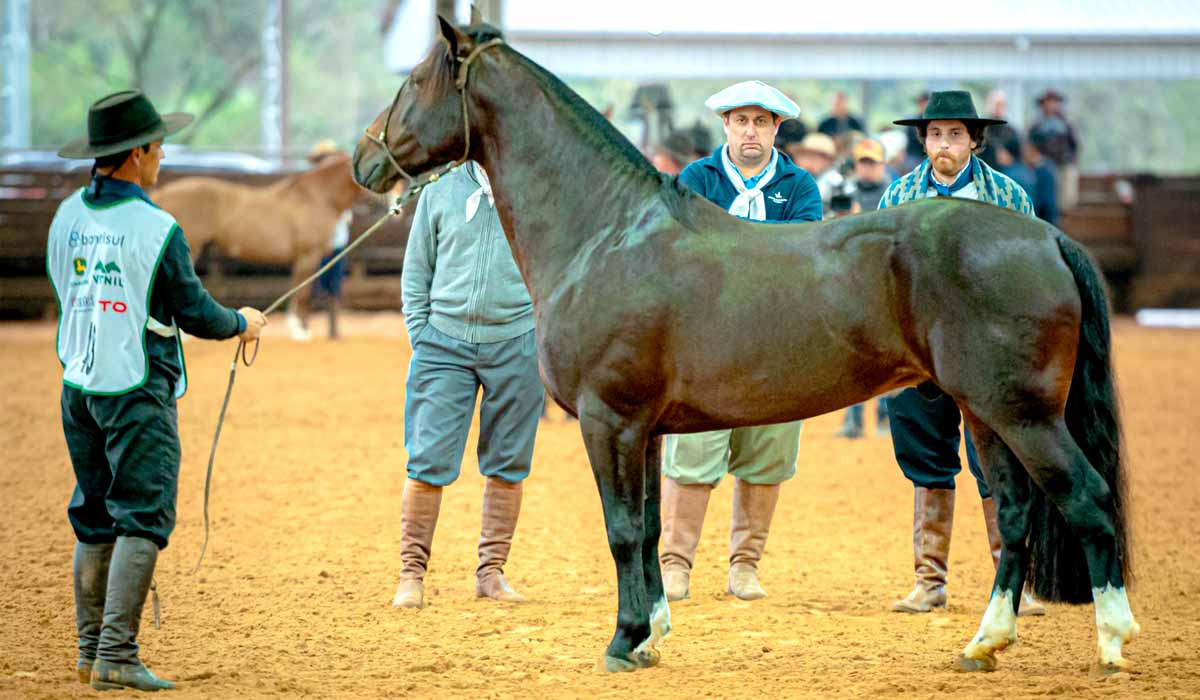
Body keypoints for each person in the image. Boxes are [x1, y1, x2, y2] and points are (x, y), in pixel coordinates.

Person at [48, 90, 267, 691]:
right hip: (137, 390)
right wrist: (242, 322)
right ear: (135, 153)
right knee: (143, 516)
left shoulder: (67, 215)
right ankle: (117, 651)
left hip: (79, 385)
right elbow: (195, 311)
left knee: (93, 515)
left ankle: (90, 651)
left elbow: (64, 289)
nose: (163, 155)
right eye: (158, 145)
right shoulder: (157, 228)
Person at [880, 90, 1046, 617]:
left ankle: (1012, 582)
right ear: (923, 141)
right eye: (934, 134)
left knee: (998, 460)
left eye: (954, 134)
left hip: (989, 352)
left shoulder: (1010, 198)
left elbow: (1031, 276)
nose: (943, 144)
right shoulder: (898, 196)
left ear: (975, 140)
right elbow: (880, 275)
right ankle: (930, 582)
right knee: (926, 459)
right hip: (917, 353)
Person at [660, 80, 822, 603]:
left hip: (777, 345)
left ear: (778, 128)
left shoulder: (800, 188)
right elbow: (682, 257)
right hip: (704, 344)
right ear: (724, 125)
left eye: (761, 121)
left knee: (767, 456)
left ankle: (745, 567)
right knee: (691, 454)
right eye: (740, 120)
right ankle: (675, 564)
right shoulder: (696, 179)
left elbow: (801, 261)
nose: (750, 131)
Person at [394, 160, 543, 609]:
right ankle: (411, 574)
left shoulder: (535, 189)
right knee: (427, 462)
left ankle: (491, 573)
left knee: (508, 464)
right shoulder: (439, 191)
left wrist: (537, 336)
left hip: (517, 344)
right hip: (444, 344)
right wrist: (423, 335)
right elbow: (417, 269)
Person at [835, 138, 894, 438]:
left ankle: (886, 418)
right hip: (852, 283)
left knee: (887, 353)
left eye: (872, 162)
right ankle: (853, 420)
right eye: (862, 162)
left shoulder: (895, 194)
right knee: (853, 353)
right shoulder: (844, 192)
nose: (866, 168)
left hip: (886, 285)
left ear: (883, 164)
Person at [307, 139, 354, 340]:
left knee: (334, 286)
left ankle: (332, 329)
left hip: (337, 241)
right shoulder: (312, 185)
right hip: (313, 243)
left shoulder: (340, 185)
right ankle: (303, 324)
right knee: (310, 284)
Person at [1028, 89, 1080, 211]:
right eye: (1048, 102)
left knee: (1067, 199)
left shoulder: (1067, 124)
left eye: (1054, 102)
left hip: (1064, 164)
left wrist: (1071, 161)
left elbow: (1075, 146)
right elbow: (1030, 146)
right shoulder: (1037, 126)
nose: (1051, 105)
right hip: (1044, 167)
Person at [790, 132, 842, 212]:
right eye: (803, 156)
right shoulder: (794, 178)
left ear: (827, 161)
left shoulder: (835, 181)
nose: (805, 161)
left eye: (812, 157)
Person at [977, 89, 1023, 171]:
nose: (997, 108)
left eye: (1001, 105)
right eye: (995, 104)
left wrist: (1009, 159)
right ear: (988, 105)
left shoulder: (1011, 131)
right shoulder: (979, 129)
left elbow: (1018, 155)